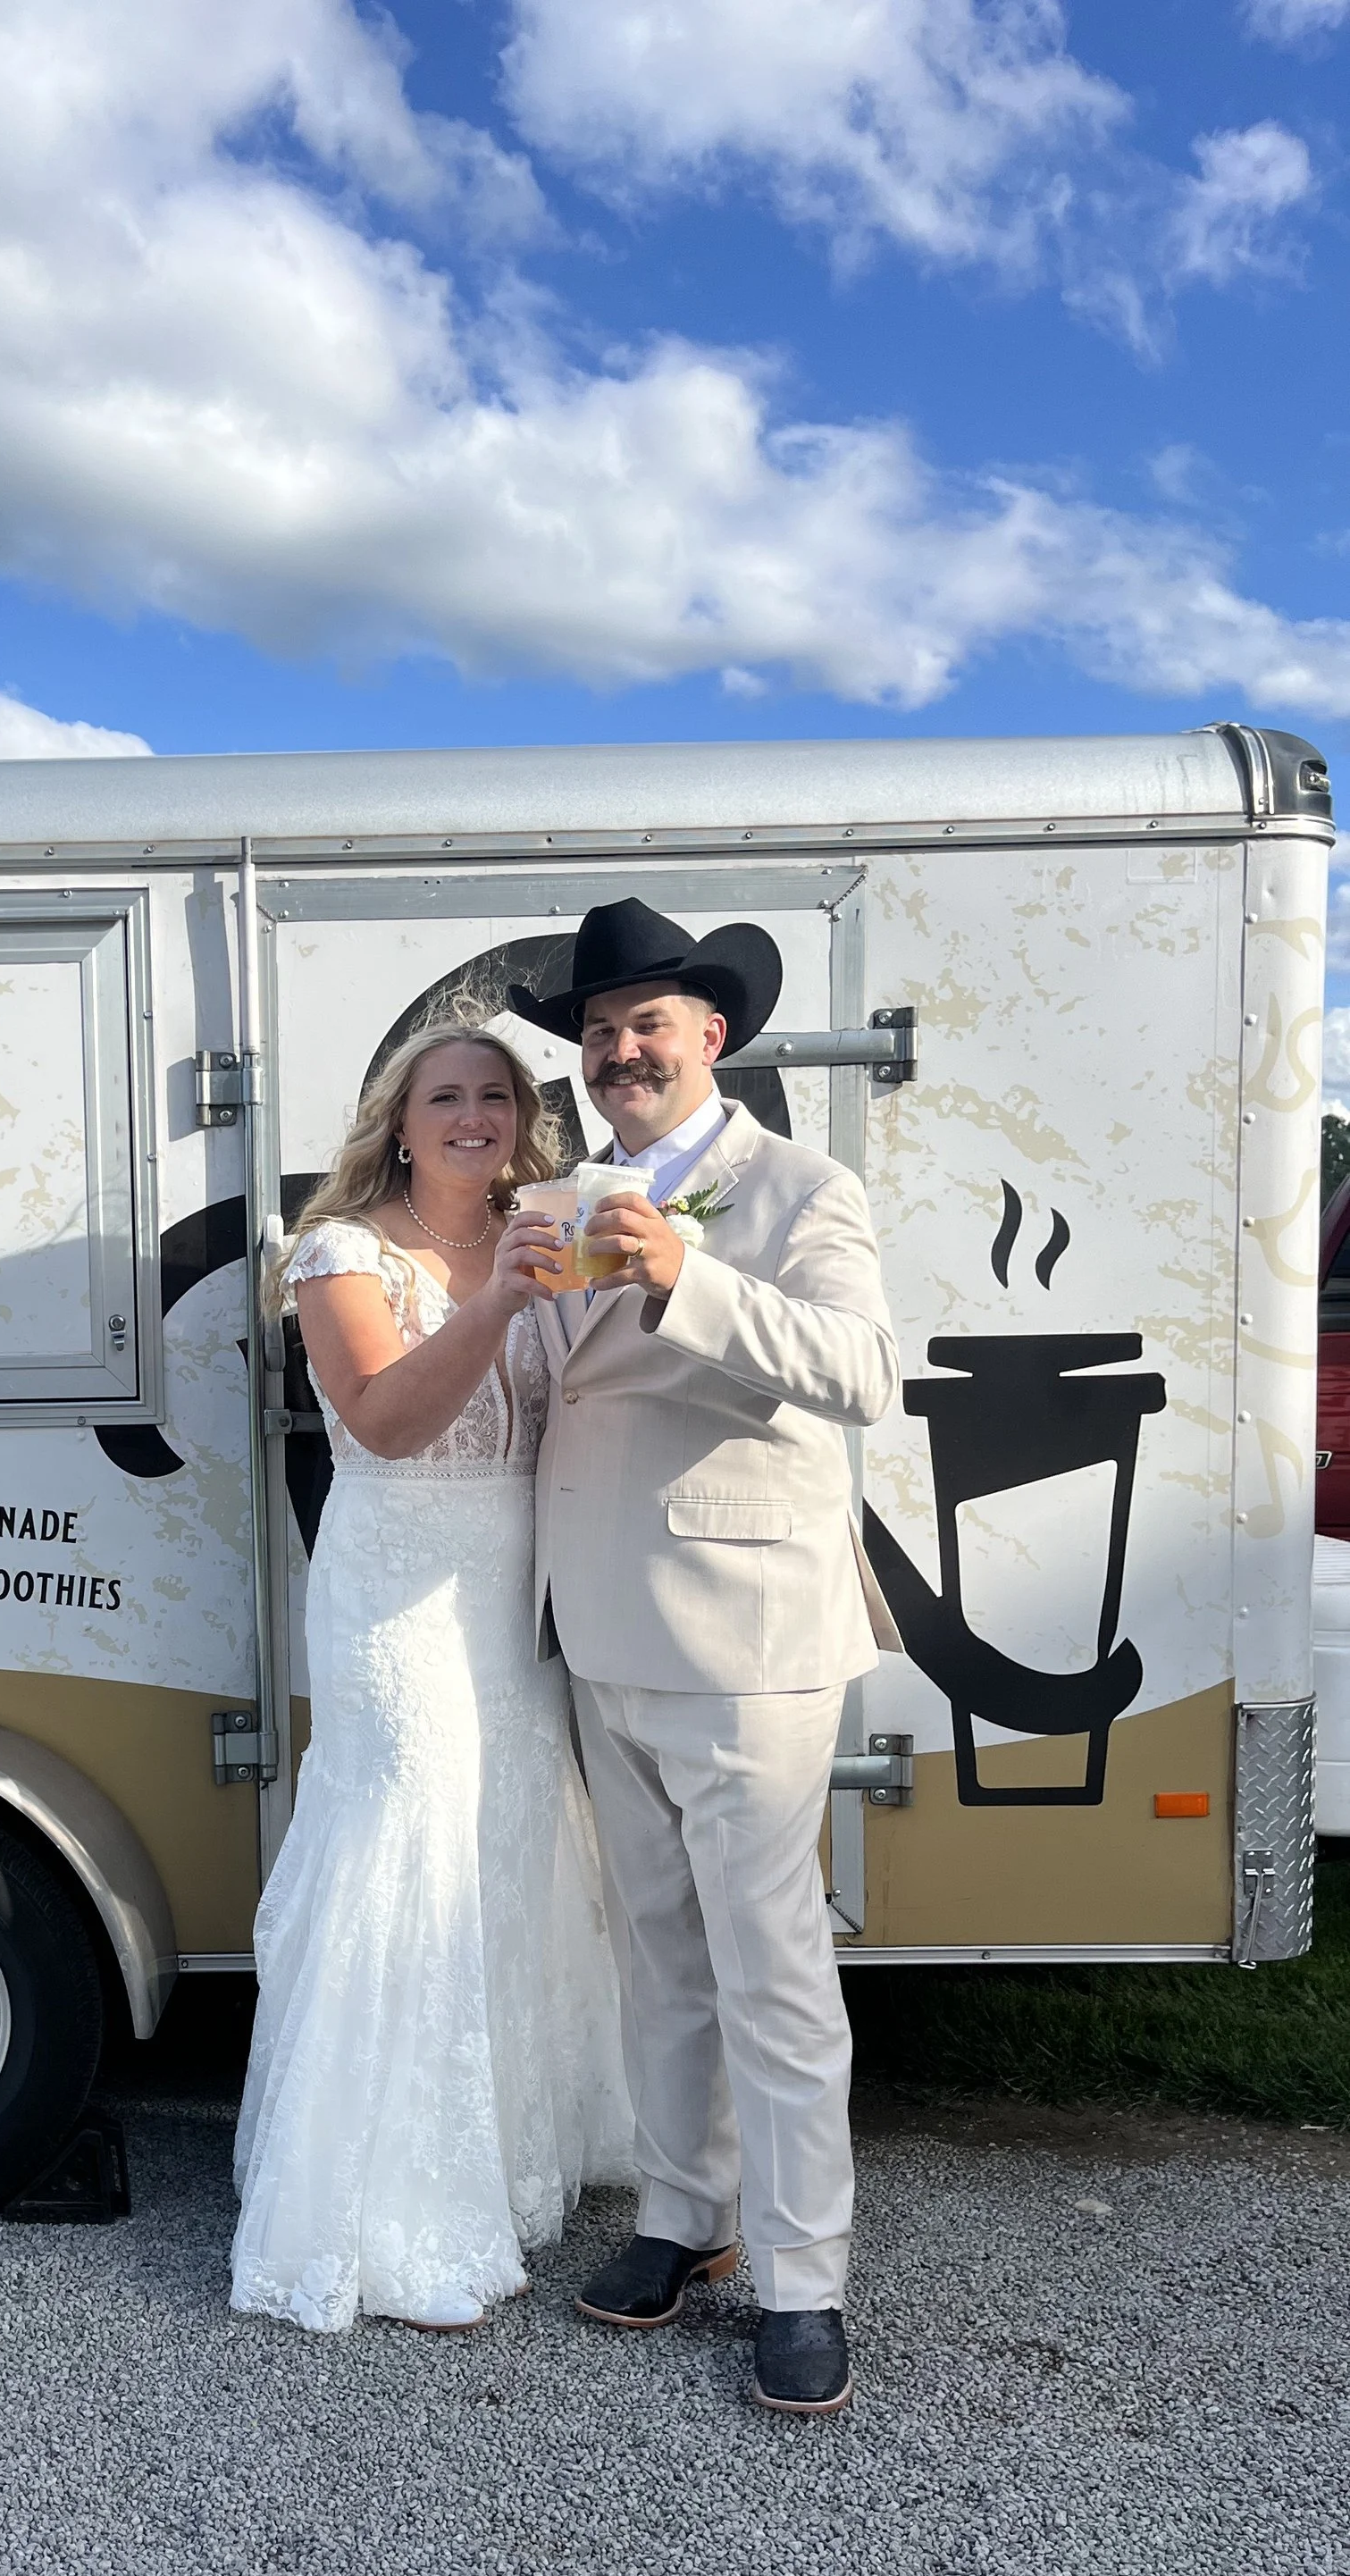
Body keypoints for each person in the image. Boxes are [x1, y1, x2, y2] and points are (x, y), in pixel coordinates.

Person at [510, 901, 900, 2418]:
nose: (620, 1052)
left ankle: (809, 2274)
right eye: (600, 1034)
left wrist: (688, 1275)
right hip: (600, 1630)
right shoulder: (568, 1195)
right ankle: (686, 2217)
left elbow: (862, 1374)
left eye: (647, 1025)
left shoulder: (799, 1188)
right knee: (659, 1953)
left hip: (746, 1642)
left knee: (774, 1968)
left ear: (711, 1037)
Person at [231, 1021, 635, 2333]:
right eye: (444, 1098)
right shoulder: (344, 1252)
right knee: (410, 1835)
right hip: (396, 1598)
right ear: (396, 1125)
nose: (473, 1117)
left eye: (496, 1097)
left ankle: (508, 2163)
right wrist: (503, 1300)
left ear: (524, 1118)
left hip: (516, 1597)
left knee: (511, 1838)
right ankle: (380, 2207)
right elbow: (389, 1421)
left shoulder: (552, 1223)